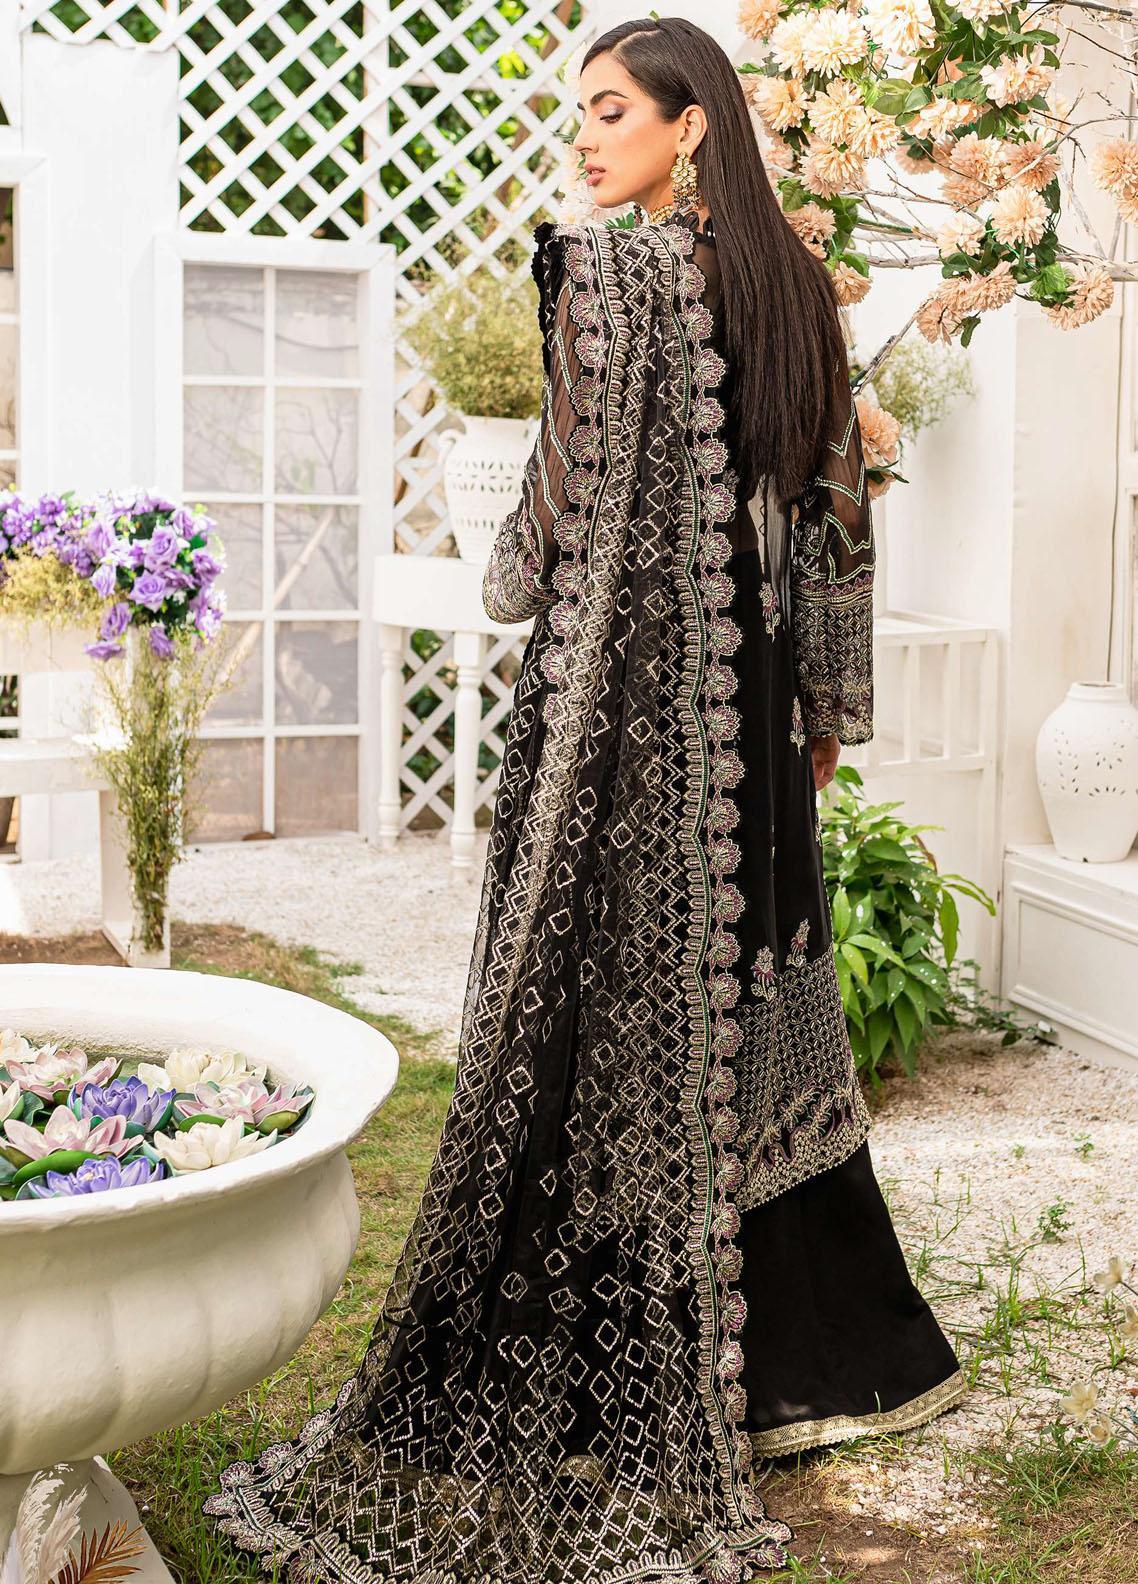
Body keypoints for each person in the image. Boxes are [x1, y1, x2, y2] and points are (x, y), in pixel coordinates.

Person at [202, 15, 967, 1581]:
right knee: (753, 1015)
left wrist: (506, 571)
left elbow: (546, 526)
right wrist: (823, 710)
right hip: (752, 720)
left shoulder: (598, 278)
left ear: (691, 125)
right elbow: (834, 516)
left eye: (609, 110)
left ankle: (599, 1361)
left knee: (588, 1013)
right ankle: (824, 1364)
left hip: (615, 721)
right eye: (581, 113)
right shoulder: (797, 290)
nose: (583, 136)